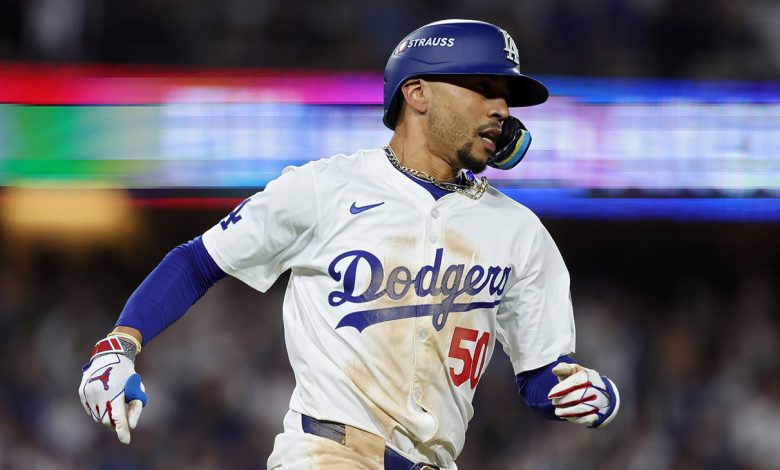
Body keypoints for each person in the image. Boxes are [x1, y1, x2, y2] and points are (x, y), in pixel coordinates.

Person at [79, 19, 620, 470]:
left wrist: (587, 393)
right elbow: (197, 261)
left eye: (506, 96)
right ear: (417, 93)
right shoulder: (325, 189)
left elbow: (540, 374)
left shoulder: (519, 231)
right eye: (483, 88)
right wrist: (118, 345)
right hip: (327, 454)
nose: (501, 108)